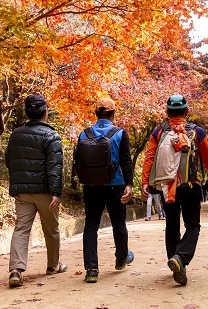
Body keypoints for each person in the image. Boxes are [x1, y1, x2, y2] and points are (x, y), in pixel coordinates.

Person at [141, 94, 208, 285]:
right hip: (191, 185)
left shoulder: (159, 132)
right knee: (193, 225)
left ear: (167, 112)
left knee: (172, 224)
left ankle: (175, 260)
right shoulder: (197, 131)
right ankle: (181, 258)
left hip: (167, 187)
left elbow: (150, 157)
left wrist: (145, 182)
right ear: (186, 111)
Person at [5, 94, 67, 288]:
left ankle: (15, 270)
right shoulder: (51, 136)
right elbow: (55, 166)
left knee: (21, 229)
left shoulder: (16, 134)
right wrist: (56, 192)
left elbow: (9, 160)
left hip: (22, 192)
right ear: (45, 112)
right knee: (51, 230)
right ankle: (52, 265)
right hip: (45, 192)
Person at [75, 97, 134, 283]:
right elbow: (125, 161)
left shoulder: (84, 134)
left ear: (96, 114)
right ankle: (121, 258)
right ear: (113, 114)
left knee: (91, 226)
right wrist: (129, 184)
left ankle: (92, 269)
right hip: (115, 185)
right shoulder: (120, 133)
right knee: (119, 224)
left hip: (91, 187)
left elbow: (78, 163)